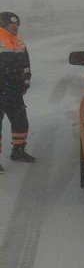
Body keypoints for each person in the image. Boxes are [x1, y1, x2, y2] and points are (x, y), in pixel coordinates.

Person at [0, 11, 36, 173]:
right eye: (11, 24)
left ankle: (18, 152)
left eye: (17, 24)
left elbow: (26, 66)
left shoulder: (20, 42)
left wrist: (25, 84)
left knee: (21, 122)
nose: (14, 27)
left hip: (14, 92)